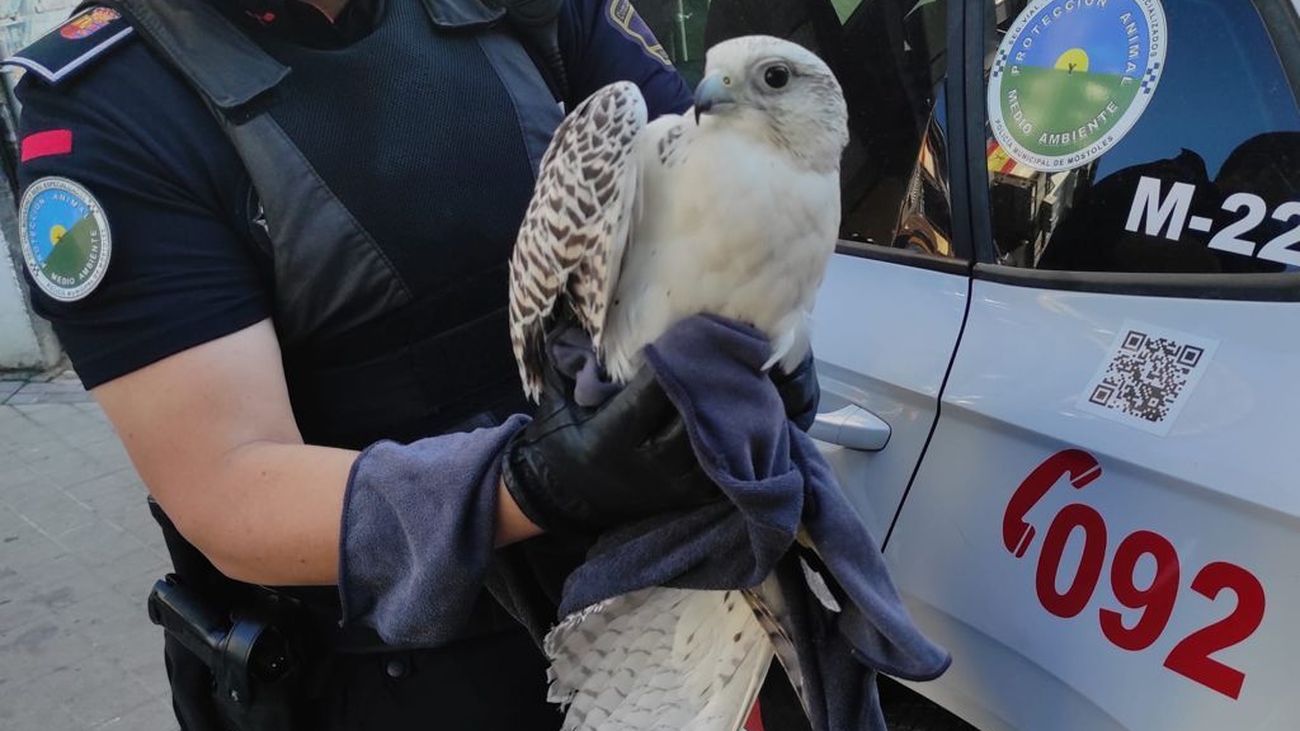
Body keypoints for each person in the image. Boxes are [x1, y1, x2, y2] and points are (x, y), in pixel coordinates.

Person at [3, 0, 820, 729]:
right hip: (392, 661)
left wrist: (758, 346)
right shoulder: (112, 103)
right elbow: (229, 491)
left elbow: (722, 173)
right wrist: (531, 484)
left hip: (656, 607)